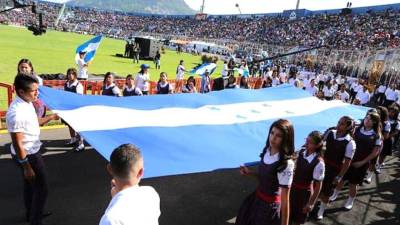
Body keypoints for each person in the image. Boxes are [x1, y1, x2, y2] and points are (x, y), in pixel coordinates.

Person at [6, 74, 59, 225]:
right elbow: (18, 143)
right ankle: (36, 220)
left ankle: (31, 214)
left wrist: (51, 117)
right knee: (42, 189)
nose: (37, 93)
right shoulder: (16, 113)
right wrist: (26, 167)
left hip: (29, 152)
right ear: (21, 92)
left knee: (30, 186)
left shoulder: (27, 102)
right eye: (34, 91)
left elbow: (34, 122)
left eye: (37, 90)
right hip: (29, 155)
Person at [236, 119, 295, 225]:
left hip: (269, 208)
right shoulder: (267, 151)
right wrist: (249, 173)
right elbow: (265, 178)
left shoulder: (286, 164)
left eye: (279, 135)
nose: (273, 138)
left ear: (286, 139)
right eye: (272, 133)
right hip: (256, 200)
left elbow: (285, 201)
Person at [99, 144, 160, 225]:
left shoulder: (111, 219)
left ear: (109, 169)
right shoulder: (151, 193)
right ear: (141, 172)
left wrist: (115, 199)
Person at [317, 116, 356, 220]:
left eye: (342, 124)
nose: (339, 125)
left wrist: (339, 176)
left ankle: (321, 210)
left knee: (326, 192)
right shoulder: (330, 133)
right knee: (316, 187)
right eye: (339, 122)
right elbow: (319, 144)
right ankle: (314, 202)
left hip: (334, 170)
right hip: (322, 165)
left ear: (348, 127)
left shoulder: (350, 143)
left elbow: (347, 162)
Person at [341, 112, 381, 210]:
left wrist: (362, 162)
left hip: (361, 163)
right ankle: (334, 194)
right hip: (350, 158)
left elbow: (375, 152)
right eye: (366, 118)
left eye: (370, 119)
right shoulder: (358, 129)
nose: (367, 120)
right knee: (341, 178)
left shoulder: (376, 136)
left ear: (375, 122)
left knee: (352, 183)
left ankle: (350, 200)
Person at [290, 131, 325, 225]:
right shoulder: (301, 152)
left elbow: (318, 186)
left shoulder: (319, 163)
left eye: (310, 142)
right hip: (292, 189)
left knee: (298, 219)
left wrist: (311, 203)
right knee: (287, 214)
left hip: (304, 194)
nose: (306, 143)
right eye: (307, 140)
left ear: (317, 145)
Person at [63, 68, 85, 152]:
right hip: (67, 107)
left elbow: (79, 98)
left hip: (75, 108)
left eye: (72, 74)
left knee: (77, 126)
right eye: (69, 74)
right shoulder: (66, 84)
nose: (70, 75)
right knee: (69, 124)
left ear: (75, 75)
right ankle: (73, 139)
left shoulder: (78, 85)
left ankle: (81, 143)